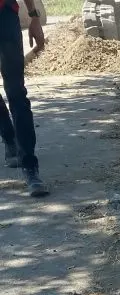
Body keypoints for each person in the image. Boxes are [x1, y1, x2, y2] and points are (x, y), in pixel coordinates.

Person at [0, 0, 48, 197]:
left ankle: (30, 167)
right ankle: (9, 136)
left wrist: (34, 16)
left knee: (16, 93)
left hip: (4, 16)